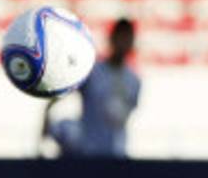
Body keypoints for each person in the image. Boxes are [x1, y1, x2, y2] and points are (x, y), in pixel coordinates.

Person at [42, 18, 141, 157]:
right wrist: (46, 117)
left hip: (116, 154)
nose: (123, 42)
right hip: (87, 153)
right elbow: (59, 94)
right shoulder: (92, 72)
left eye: (127, 37)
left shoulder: (134, 81)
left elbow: (122, 116)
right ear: (112, 38)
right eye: (120, 36)